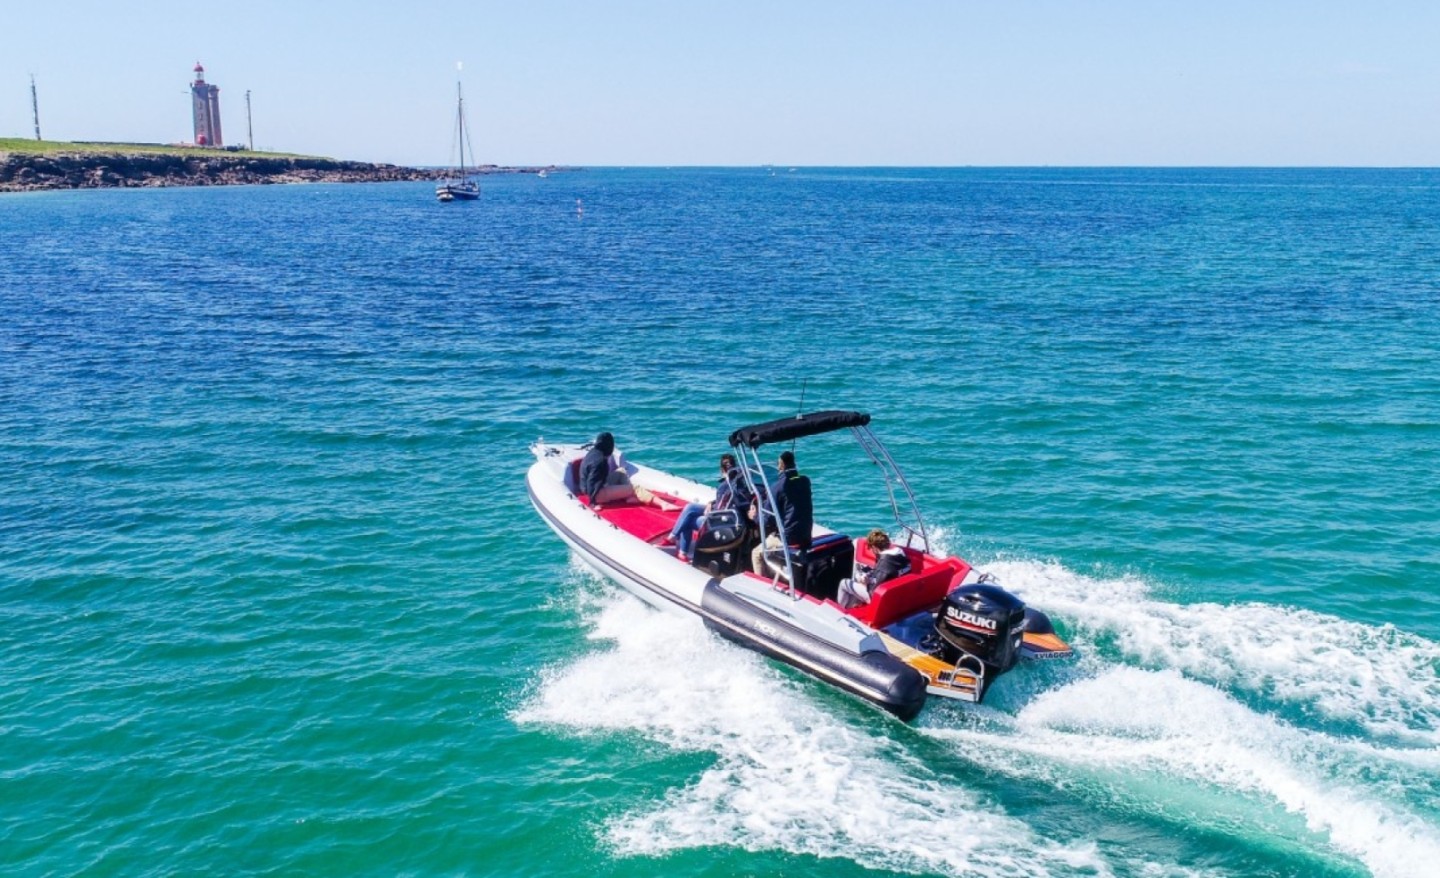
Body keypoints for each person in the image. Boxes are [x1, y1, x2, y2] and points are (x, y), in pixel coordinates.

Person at [668, 453, 752, 562]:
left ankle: (682, 551)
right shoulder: (738, 482)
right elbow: (725, 501)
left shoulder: (726, 485)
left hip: (721, 521)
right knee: (690, 507)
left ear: (721, 469)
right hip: (724, 513)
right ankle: (673, 536)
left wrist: (710, 513)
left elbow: (721, 508)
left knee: (688, 521)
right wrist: (711, 503)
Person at [751, 449, 813, 576]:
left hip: (789, 539)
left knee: (756, 553)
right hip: (806, 535)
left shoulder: (777, 487)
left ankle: (760, 583)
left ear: (781, 465)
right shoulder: (805, 481)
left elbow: (767, 519)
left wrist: (755, 517)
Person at [837, 528, 912, 608]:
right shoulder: (901, 554)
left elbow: (872, 591)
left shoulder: (884, 562)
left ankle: (840, 610)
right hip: (897, 593)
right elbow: (888, 573)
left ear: (874, 547)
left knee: (843, 583)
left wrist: (864, 582)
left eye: (871, 547)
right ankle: (853, 605)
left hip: (880, 598)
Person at [580, 432, 652, 508]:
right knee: (635, 488)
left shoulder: (593, 452)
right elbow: (591, 482)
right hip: (598, 494)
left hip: (593, 488)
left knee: (621, 471)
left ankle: (628, 496)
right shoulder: (600, 461)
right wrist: (593, 503)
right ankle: (660, 503)